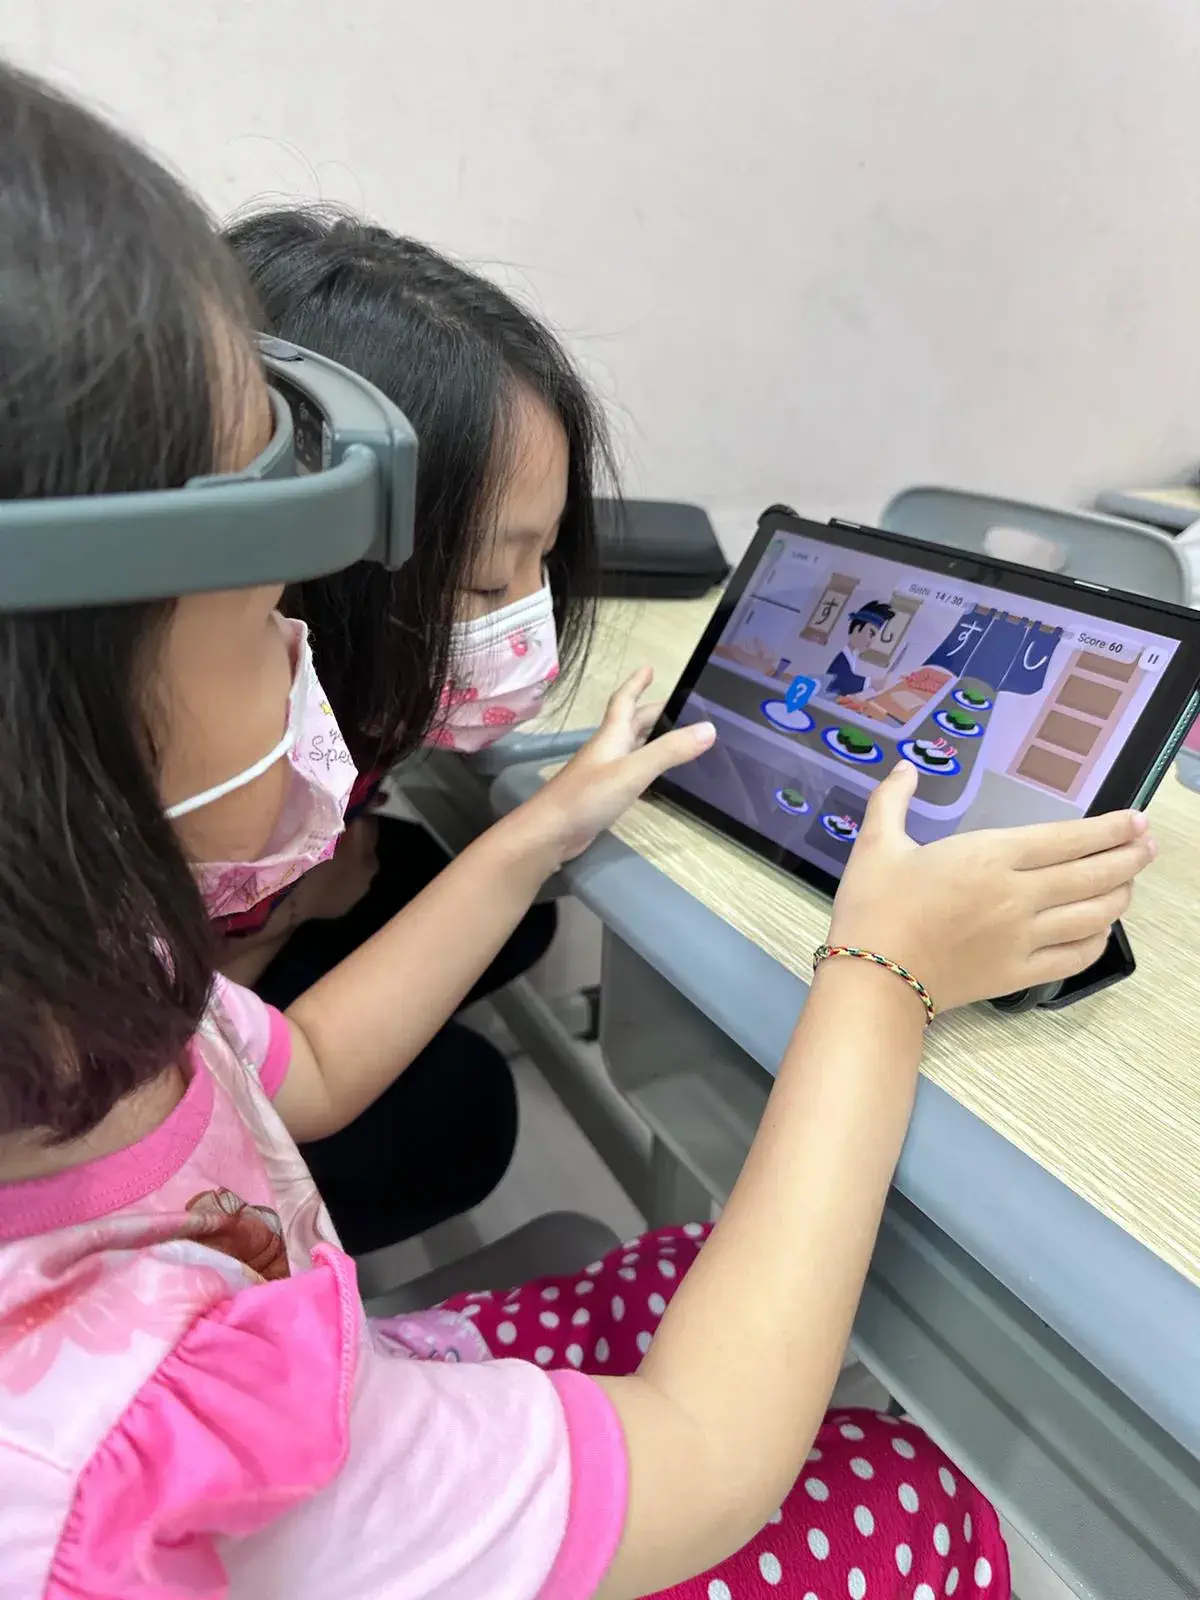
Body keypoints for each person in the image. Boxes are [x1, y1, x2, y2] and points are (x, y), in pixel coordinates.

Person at [0, 60, 1156, 1599]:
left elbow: (313, 1069)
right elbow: (707, 1458)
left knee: (697, 1267)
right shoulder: (107, 1441)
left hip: (321, 1354)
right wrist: (884, 973)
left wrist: (540, 826)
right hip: (311, 1451)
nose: (295, 642)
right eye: (272, 588)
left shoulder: (84, 997)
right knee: (914, 1493)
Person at [212, 211, 617, 1255]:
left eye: (544, 561)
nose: (528, 614)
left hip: (252, 927)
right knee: (465, 1110)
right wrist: (297, 911)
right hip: (188, 1028)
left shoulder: (352, 690)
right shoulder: (210, 746)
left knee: (506, 915)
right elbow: (182, 1049)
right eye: (488, 579)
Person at [824, 600, 896, 697]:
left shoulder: (851, 655)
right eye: (871, 634)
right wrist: (871, 682)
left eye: (875, 638)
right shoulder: (841, 657)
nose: (872, 642)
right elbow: (840, 682)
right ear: (857, 629)